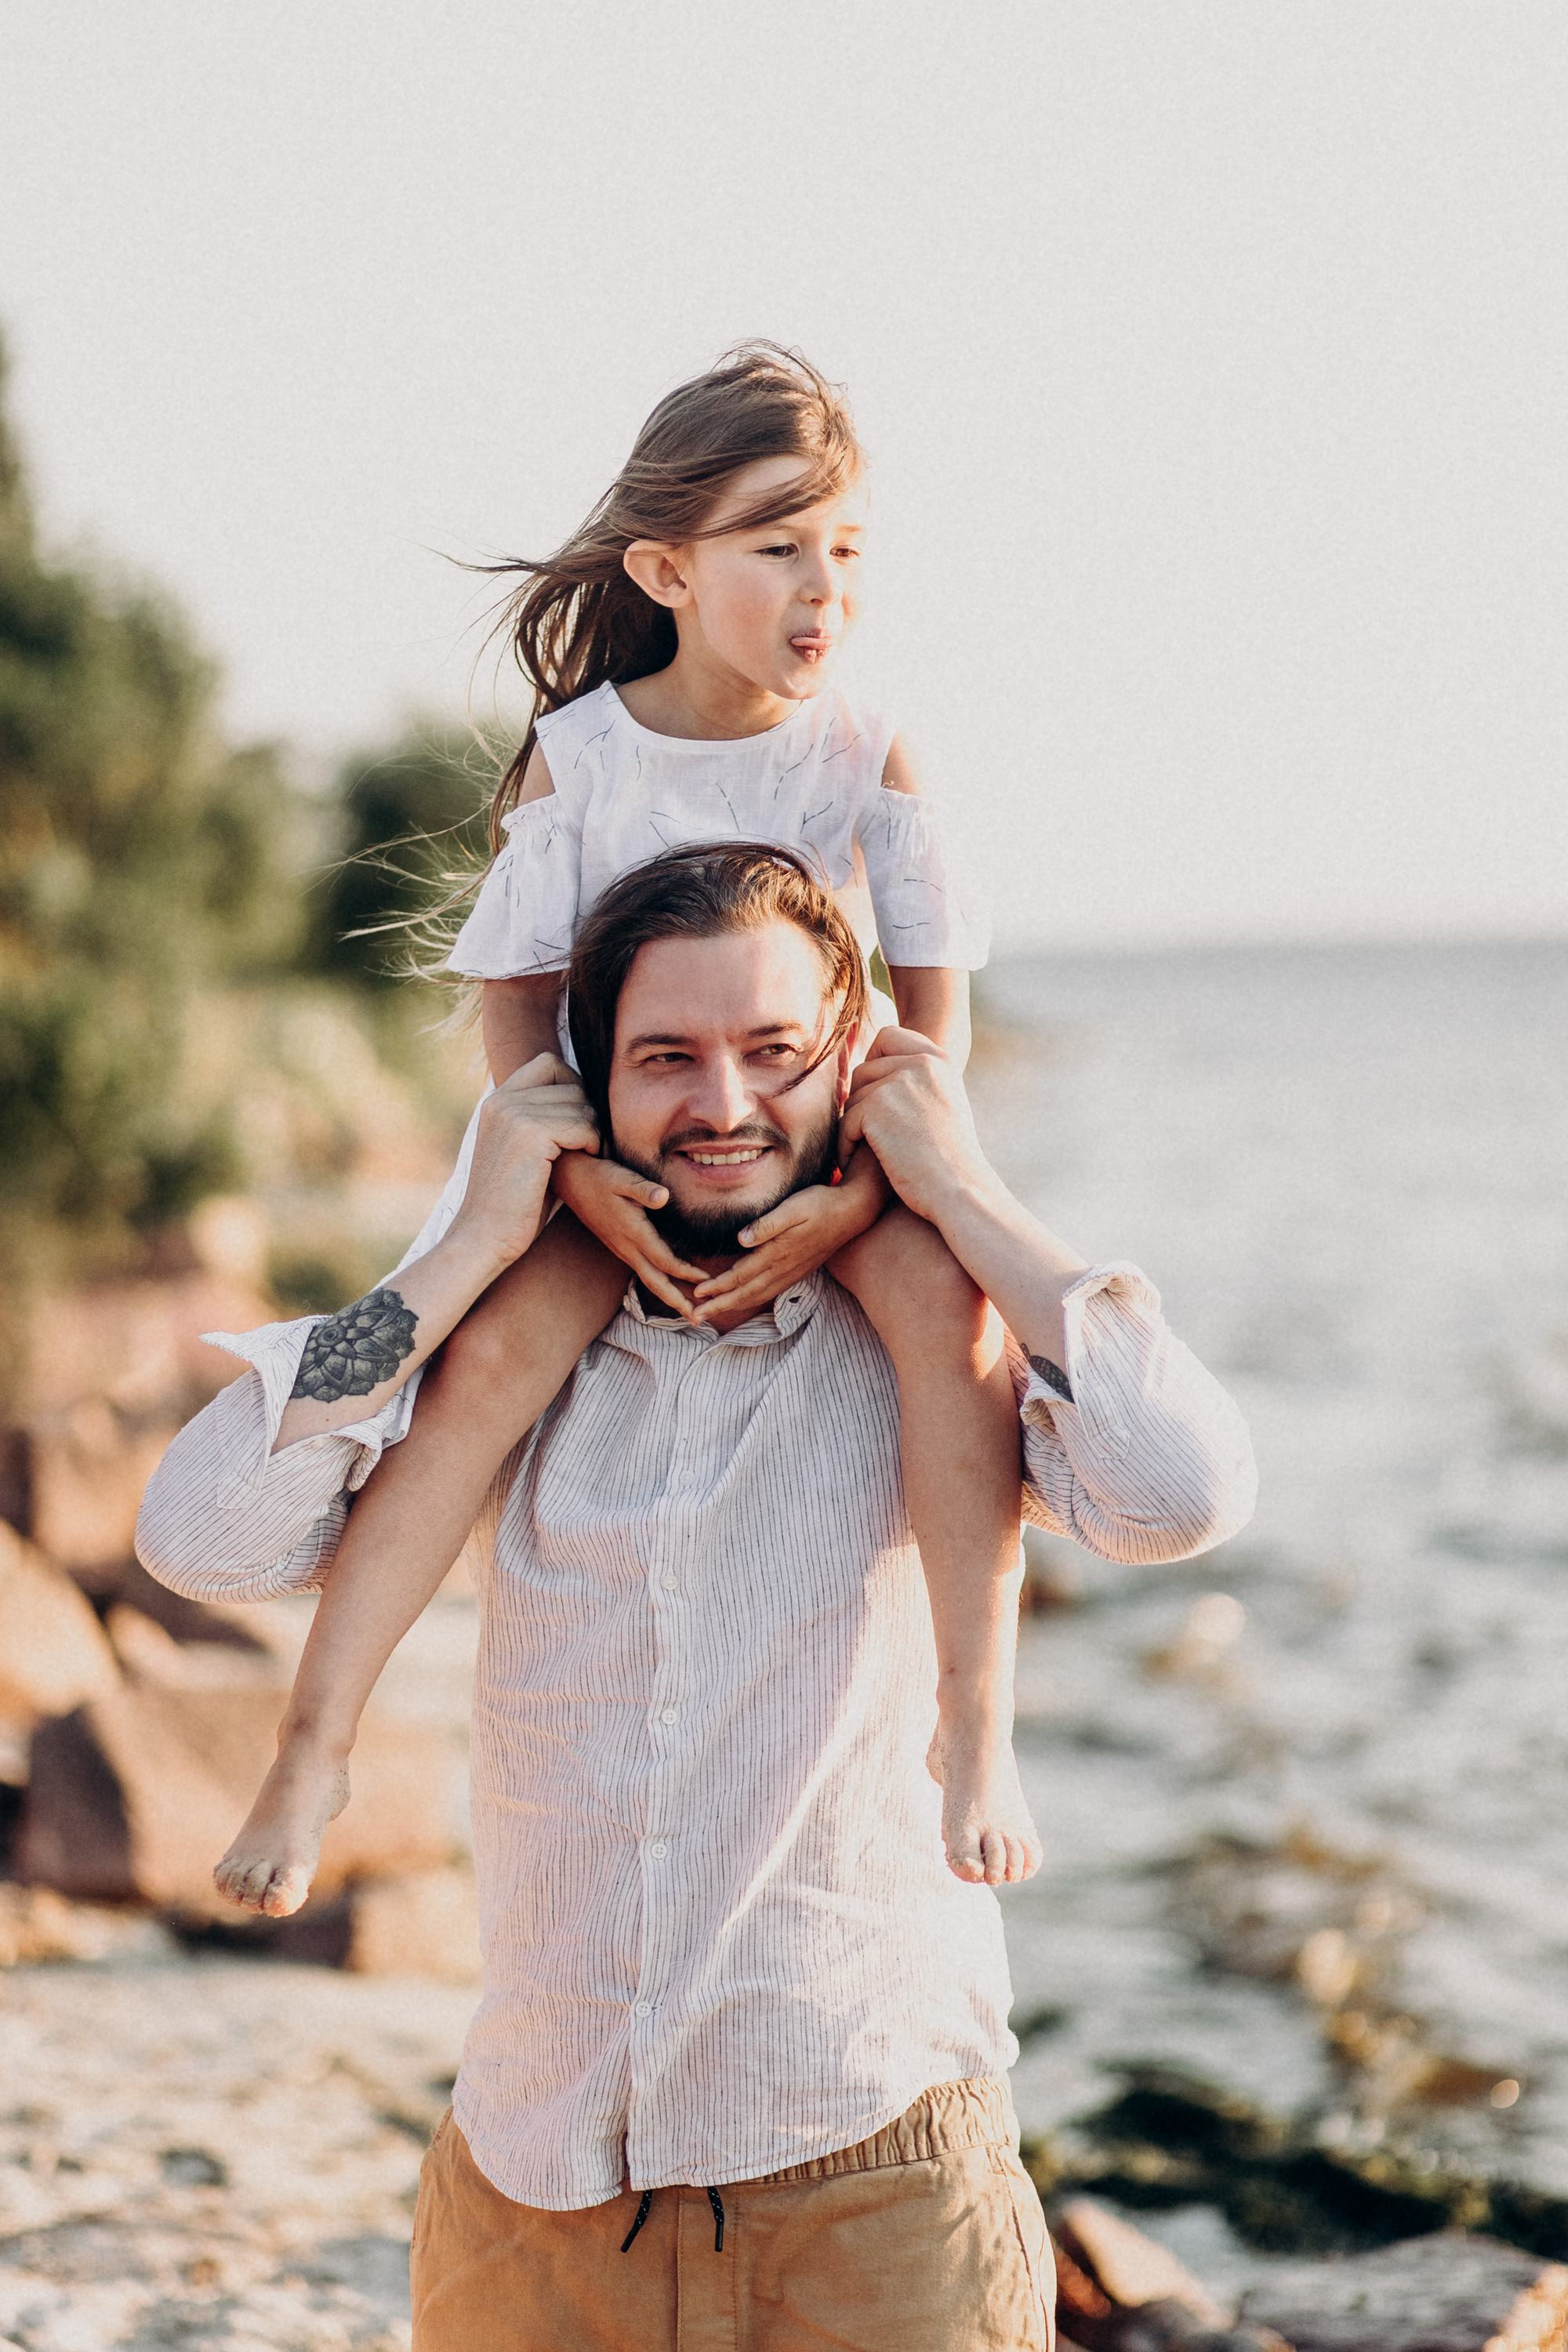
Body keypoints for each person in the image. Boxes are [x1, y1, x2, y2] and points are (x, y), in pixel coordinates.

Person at [136, 841, 1256, 2352]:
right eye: (670, 1057)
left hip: (870, 2189)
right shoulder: (511, 1333)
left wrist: (960, 1181)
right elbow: (204, 1531)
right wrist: (469, 1237)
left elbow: (1183, 1487)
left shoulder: (930, 1329)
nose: (723, 1106)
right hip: (535, 2202)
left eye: (774, 1054)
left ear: (849, 1062)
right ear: (595, 1076)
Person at [212, 340, 1040, 1915]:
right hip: (612, 1158)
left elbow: (932, 1015)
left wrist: (861, 1203)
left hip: (825, 1151)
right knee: (478, 1380)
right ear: (664, 565)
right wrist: (577, 1189)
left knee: (962, 1333)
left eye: (847, 548)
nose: (824, 587)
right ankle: (313, 1746)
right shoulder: (583, 754)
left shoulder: (866, 748)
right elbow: (519, 1005)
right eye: (777, 544)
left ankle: (974, 1720)